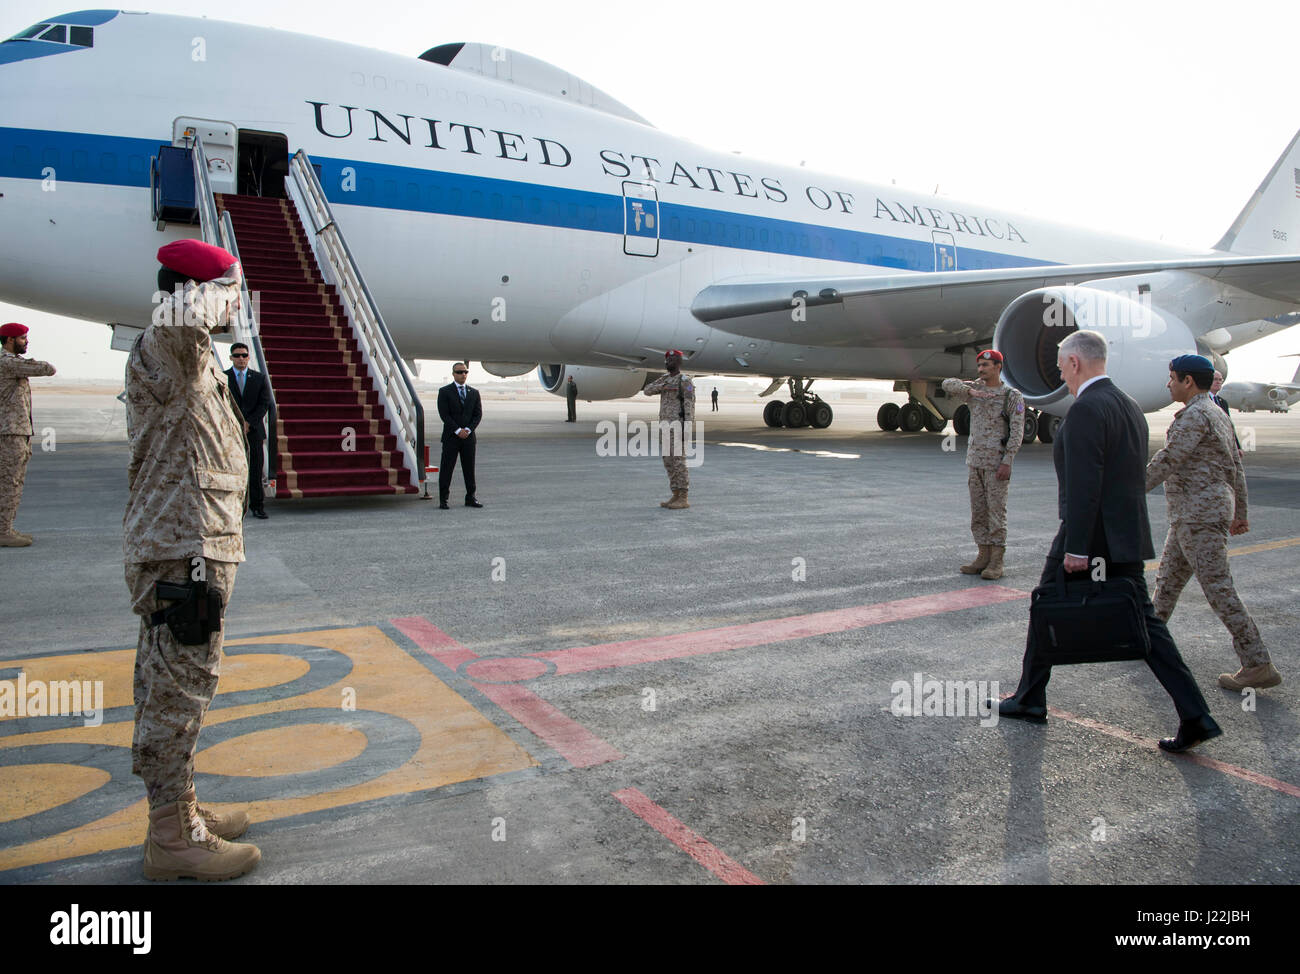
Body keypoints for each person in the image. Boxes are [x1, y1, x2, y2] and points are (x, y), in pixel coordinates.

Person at [997, 330, 1221, 753]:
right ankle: (1196, 714)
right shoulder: (1129, 406)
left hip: (1091, 536)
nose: (1060, 372)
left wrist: (1078, 547)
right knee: (1145, 626)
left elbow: (1086, 486)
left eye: (1062, 364)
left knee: (1047, 602)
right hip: (1124, 534)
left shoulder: (1086, 410)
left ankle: (1029, 699)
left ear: (1076, 363)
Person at [125, 239, 261, 880]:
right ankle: (172, 839)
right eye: (232, 290)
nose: (239, 302)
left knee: (184, 683)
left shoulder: (195, 359)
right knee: (177, 689)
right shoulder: (171, 339)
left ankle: (182, 810)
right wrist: (222, 281)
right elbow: (182, 314)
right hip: (184, 555)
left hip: (196, 548)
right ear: (197, 290)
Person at [1147, 355, 1280, 690]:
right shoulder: (1216, 412)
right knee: (1167, 583)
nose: (1168, 384)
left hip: (1199, 515)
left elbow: (1170, 459)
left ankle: (1257, 662)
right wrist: (1241, 512)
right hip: (1192, 515)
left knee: (1219, 588)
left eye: (1172, 377)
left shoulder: (1195, 415)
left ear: (1188, 381)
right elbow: (1236, 465)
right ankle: (1145, 641)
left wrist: (1124, 488)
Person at [941, 349, 1025, 579]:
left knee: (996, 513)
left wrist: (1008, 461)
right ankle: (982, 555)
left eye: (985, 366)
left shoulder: (1011, 396)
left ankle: (997, 561)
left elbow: (1017, 432)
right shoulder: (974, 392)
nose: (980, 370)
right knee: (978, 513)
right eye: (979, 366)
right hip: (975, 462)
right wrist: (971, 390)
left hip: (996, 464)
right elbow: (947, 384)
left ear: (998, 367)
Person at [0, 322, 56, 547]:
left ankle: (6, 527)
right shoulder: (7, 362)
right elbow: (47, 369)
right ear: (10, 340)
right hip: (9, 433)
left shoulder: (11, 363)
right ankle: (3, 532)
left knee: (12, 482)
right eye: (22, 338)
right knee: (9, 483)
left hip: (16, 432)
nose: (26, 342)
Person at [642, 349, 695, 509]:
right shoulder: (665, 380)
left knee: (678, 461)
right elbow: (647, 390)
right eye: (667, 360)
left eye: (672, 359)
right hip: (665, 427)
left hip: (678, 426)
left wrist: (687, 428)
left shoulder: (685, 381)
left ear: (679, 362)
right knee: (668, 461)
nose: (668, 362)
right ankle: (675, 494)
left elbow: (689, 406)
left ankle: (684, 497)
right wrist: (664, 383)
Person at [225, 342, 272, 519]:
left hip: (254, 431)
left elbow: (264, 403)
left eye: (244, 355)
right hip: (231, 431)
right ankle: (235, 507)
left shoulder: (259, 378)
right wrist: (237, 422)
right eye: (237, 355)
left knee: (255, 469)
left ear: (248, 357)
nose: (241, 359)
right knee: (233, 469)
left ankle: (257, 506)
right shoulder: (224, 377)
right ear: (231, 358)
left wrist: (249, 423)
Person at [437, 361, 482, 509]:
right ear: (453, 374)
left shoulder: (474, 393)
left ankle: (471, 497)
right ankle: (443, 499)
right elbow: (444, 415)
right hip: (451, 437)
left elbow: (478, 415)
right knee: (447, 468)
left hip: (468, 439)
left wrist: (468, 430)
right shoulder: (444, 391)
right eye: (459, 372)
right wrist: (458, 430)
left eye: (465, 372)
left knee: (469, 469)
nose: (463, 374)